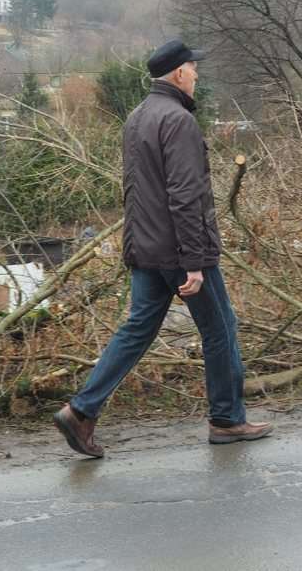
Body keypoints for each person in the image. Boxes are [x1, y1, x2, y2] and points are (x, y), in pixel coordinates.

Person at [53, 40, 274, 458]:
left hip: (146, 249)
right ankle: (227, 420)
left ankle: (81, 411)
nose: (197, 74)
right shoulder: (178, 121)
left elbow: (137, 192)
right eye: (193, 68)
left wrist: (134, 248)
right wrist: (194, 262)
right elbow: (185, 195)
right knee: (221, 329)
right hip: (179, 252)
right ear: (177, 73)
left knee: (137, 330)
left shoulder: (137, 118)